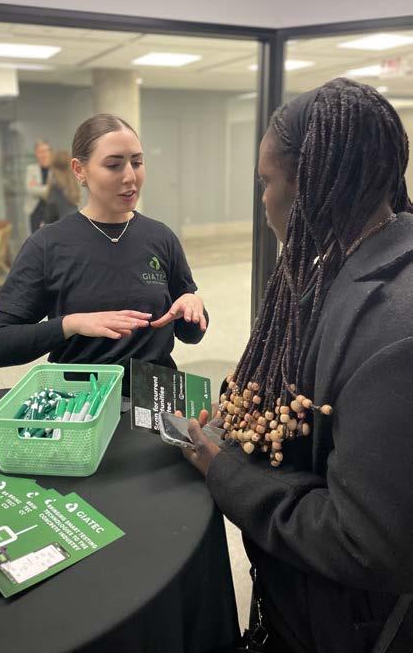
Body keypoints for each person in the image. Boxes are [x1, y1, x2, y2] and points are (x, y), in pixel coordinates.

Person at [181, 78, 413, 652]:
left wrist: (225, 470)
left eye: (266, 182)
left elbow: (366, 542)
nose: (262, 200)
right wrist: (248, 424)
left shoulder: (394, 332)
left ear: (312, 187)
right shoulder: (338, 266)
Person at [0, 113, 208, 394]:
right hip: (81, 404)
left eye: (137, 162)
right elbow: (0, 346)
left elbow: (190, 334)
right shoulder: (47, 244)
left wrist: (193, 306)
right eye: (114, 165)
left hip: (155, 398)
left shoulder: (161, 237)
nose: (130, 176)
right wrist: (71, 324)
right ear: (79, 170)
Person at [43, 149, 81, 223]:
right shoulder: (76, 186)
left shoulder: (55, 188)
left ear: (53, 167)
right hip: (75, 225)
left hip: (60, 227)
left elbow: (50, 217)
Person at [24, 139, 52, 233]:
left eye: (46, 151)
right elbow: (31, 190)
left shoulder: (55, 169)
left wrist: (39, 188)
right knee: (37, 238)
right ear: (36, 154)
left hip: (53, 210)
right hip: (35, 210)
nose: (44, 154)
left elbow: (56, 190)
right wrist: (48, 189)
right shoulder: (31, 169)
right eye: (41, 151)